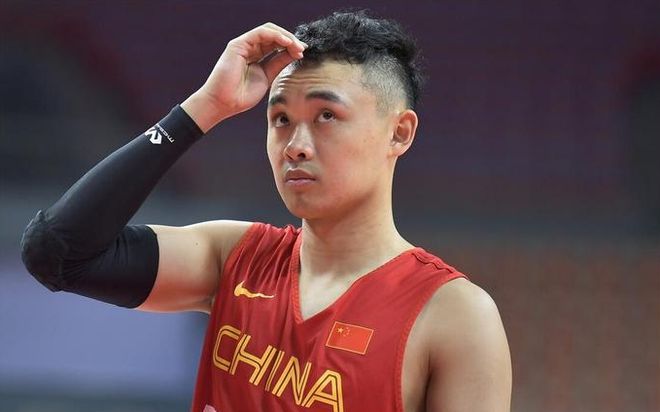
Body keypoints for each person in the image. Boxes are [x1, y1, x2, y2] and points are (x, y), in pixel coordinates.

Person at [20, 11, 512, 412]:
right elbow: (57, 252)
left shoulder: (454, 316)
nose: (296, 145)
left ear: (399, 132)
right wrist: (204, 108)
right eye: (280, 119)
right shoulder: (234, 256)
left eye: (326, 116)